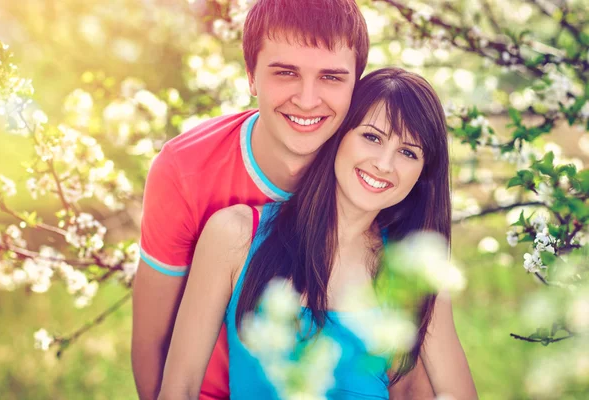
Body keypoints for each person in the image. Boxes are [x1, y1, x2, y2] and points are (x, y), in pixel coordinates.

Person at [132, 0, 434, 398]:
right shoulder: (184, 170)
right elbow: (153, 344)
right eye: (285, 72)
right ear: (251, 77)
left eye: (331, 77)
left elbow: (408, 368)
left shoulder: (373, 174)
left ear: (354, 86)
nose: (307, 100)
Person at [158, 67, 478, 399]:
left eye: (408, 152)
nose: (385, 164)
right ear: (339, 134)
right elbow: (178, 389)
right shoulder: (235, 235)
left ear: (423, 175)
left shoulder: (413, 271)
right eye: (372, 137)